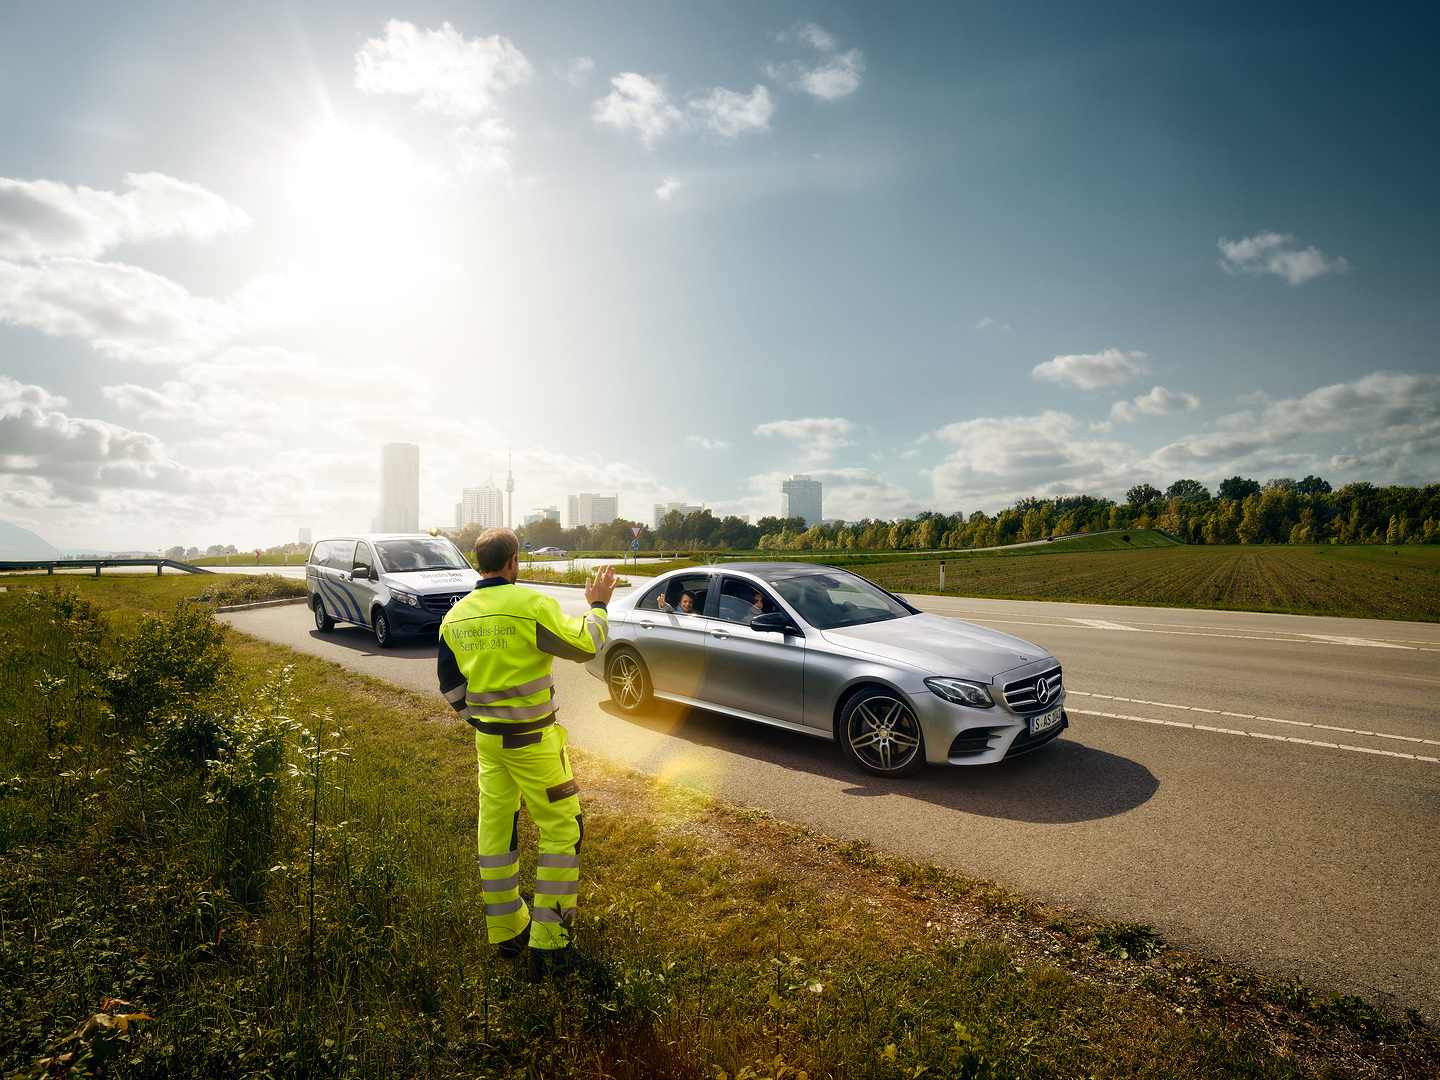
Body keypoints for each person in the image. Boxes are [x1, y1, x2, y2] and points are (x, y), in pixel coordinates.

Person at [437, 527, 616, 981]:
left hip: (488, 744)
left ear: (481, 563)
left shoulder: (455, 617)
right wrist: (598, 607)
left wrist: (476, 719)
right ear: (514, 561)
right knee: (562, 829)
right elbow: (584, 645)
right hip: (534, 743)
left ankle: (506, 931)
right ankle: (551, 945)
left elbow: (449, 685)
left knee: (496, 833)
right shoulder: (530, 606)